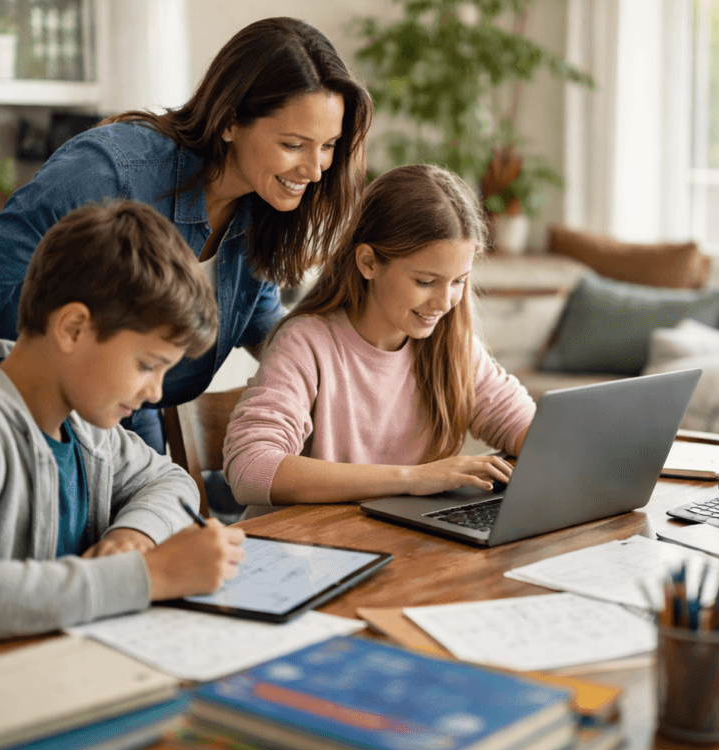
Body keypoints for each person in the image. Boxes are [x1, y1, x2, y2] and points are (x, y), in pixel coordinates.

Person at [0, 16, 371, 453]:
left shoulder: (262, 213)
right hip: (0, 416)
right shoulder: (111, 173)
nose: (315, 168)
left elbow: (271, 334)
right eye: (293, 144)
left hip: (119, 431)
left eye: (328, 146)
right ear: (230, 121)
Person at [0, 201, 246, 649]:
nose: (156, 392)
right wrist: (149, 575)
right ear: (73, 328)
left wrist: (132, 535)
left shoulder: (86, 424)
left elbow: (167, 479)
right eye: (146, 365)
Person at [221, 164, 535, 509]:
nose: (444, 303)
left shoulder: (451, 344)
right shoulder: (306, 343)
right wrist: (412, 479)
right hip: (300, 553)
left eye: (458, 281)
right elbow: (250, 470)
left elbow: (526, 428)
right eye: (425, 282)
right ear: (368, 262)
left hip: (397, 545)